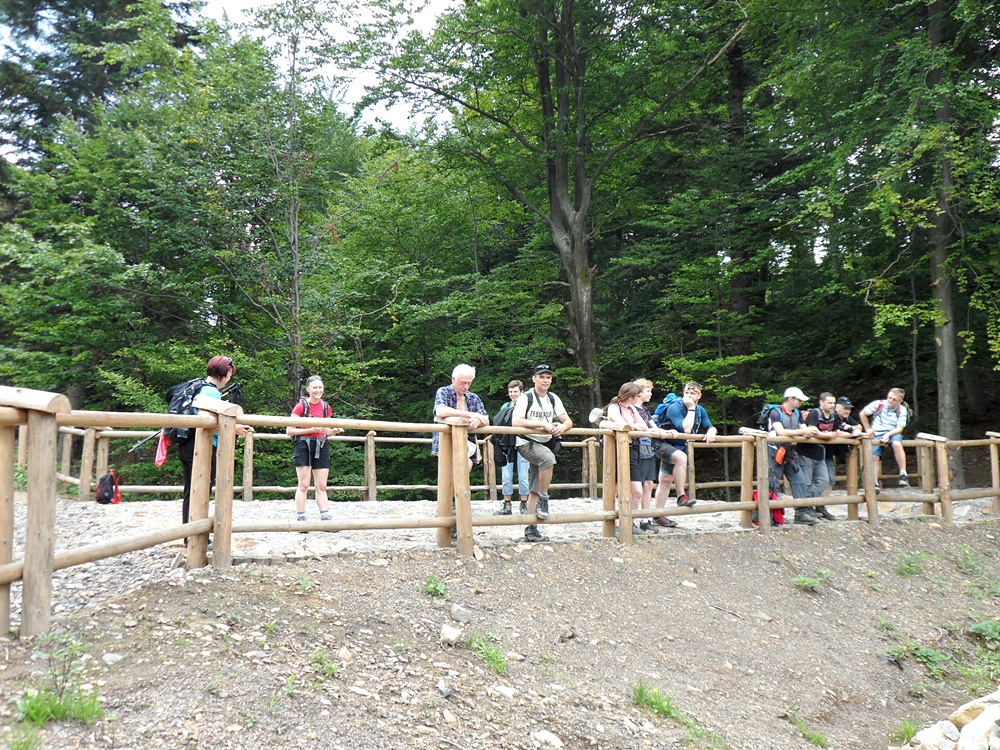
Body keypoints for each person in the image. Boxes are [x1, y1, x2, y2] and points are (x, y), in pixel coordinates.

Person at [178, 356, 250, 541]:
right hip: (200, 446)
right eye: (230, 373)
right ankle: (194, 536)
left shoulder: (199, 387)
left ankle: (190, 534)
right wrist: (235, 429)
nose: (230, 377)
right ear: (224, 373)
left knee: (191, 490)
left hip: (187, 443)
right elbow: (208, 424)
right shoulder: (211, 393)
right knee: (200, 490)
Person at [512, 364, 573, 543]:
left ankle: (531, 530)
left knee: (534, 489)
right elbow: (517, 421)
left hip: (544, 443)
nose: (545, 380)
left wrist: (562, 427)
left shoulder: (553, 398)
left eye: (548, 377)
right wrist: (542, 424)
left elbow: (568, 420)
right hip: (526, 442)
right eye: (541, 377)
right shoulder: (526, 397)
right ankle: (544, 499)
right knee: (548, 459)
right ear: (534, 379)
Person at [608, 382, 677, 535]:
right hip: (617, 450)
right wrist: (632, 426)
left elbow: (644, 426)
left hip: (633, 450)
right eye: (637, 396)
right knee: (616, 487)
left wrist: (631, 426)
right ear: (631, 397)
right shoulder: (614, 407)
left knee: (637, 491)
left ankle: (630, 521)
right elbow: (622, 425)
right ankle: (616, 521)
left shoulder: (633, 409)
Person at [653, 381, 717, 515]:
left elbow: (709, 425)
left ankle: (658, 515)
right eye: (686, 393)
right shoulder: (675, 407)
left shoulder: (700, 410)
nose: (688, 396)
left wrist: (712, 431)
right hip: (661, 442)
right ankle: (681, 496)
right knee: (681, 458)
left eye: (692, 393)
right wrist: (691, 408)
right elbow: (685, 429)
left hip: (678, 444)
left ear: (699, 395)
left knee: (665, 480)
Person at [286, 375, 344, 522]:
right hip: (303, 445)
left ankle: (325, 516)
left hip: (321, 444)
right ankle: (301, 516)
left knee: (322, 485)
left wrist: (334, 431)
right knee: (304, 484)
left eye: (320, 387)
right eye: (315, 387)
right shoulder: (301, 406)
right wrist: (310, 429)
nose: (318, 390)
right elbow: (289, 430)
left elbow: (326, 431)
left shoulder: (326, 407)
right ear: (308, 389)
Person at [766, 387, 819, 525]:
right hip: (774, 451)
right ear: (791, 399)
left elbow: (803, 429)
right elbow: (781, 432)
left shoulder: (797, 413)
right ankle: (770, 515)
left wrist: (809, 431)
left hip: (788, 451)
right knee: (773, 483)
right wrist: (802, 432)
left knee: (799, 479)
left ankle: (802, 513)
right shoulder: (775, 412)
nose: (801, 402)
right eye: (799, 400)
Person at [798, 392, 853, 520]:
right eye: (829, 403)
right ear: (821, 402)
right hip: (807, 452)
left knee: (824, 480)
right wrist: (828, 435)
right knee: (806, 482)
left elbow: (836, 432)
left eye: (834, 403)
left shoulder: (834, 416)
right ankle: (804, 510)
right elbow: (812, 431)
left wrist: (828, 435)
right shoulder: (815, 413)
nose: (832, 405)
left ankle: (809, 503)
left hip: (821, 454)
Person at [431, 363, 489, 468]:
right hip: (446, 442)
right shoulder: (443, 392)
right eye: (463, 383)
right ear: (453, 379)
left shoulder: (474, 398)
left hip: (467, 444)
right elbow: (440, 411)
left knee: (467, 465)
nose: (466, 386)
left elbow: (486, 419)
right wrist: (469, 414)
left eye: (469, 383)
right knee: (461, 466)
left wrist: (478, 421)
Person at [859, 387, 909, 489]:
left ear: (900, 401)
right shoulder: (879, 404)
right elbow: (863, 413)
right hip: (877, 432)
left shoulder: (902, 410)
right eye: (889, 398)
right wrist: (868, 429)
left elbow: (900, 428)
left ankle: (903, 473)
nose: (890, 401)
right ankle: (874, 483)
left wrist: (888, 434)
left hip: (893, 432)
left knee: (897, 444)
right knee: (874, 456)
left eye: (894, 399)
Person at [496, 380, 531, 516]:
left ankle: (524, 503)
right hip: (507, 443)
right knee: (506, 474)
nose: (513, 394)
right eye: (510, 392)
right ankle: (507, 504)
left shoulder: (527, 406)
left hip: (523, 441)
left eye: (515, 391)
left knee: (523, 474)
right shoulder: (505, 406)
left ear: (521, 392)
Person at [820, 396, 863, 499]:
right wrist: (852, 434)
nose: (847, 411)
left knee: (830, 481)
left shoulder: (846, 418)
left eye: (849, 409)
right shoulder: (831, 416)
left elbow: (859, 427)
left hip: (828, 454)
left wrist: (850, 431)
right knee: (821, 481)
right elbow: (837, 433)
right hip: (818, 453)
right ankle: (811, 504)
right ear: (837, 407)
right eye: (845, 408)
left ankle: (820, 505)